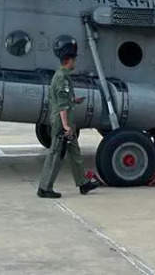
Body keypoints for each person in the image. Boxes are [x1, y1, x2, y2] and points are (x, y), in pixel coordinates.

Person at [38, 45, 103, 197]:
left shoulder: (62, 75)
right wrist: (66, 125)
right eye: (74, 60)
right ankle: (44, 188)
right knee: (55, 154)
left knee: (75, 152)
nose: (75, 63)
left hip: (67, 121)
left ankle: (83, 183)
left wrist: (74, 100)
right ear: (68, 60)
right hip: (63, 123)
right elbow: (61, 104)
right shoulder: (62, 77)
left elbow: (64, 99)